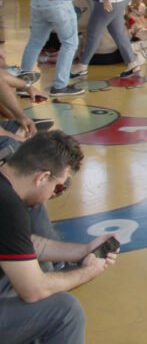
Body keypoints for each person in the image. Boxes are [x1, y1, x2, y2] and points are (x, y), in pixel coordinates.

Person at [0, 131, 118, 344]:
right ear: (42, 177)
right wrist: (87, 272)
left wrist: (83, 251)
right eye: (58, 187)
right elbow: (33, 290)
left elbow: (23, 244)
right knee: (65, 311)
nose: (54, 194)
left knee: (37, 270)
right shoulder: (9, 207)